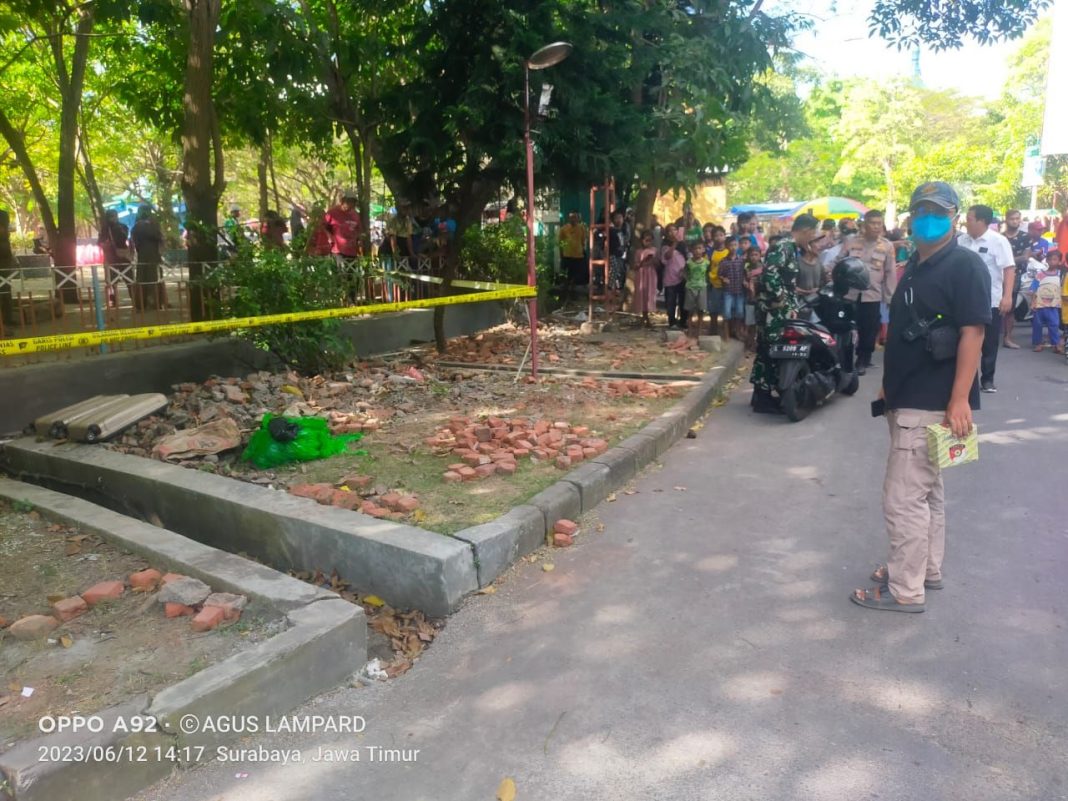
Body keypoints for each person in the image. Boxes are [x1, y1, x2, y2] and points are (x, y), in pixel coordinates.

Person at [851, 181, 989, 613]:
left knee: (903, 496)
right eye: (921, 211)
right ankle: (925, 569)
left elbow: (973, 332)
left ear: (955, 216)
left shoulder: (964, 265)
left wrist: (960, 399)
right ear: (910, 217)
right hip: (907, 394)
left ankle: (904, 589)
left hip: (933, 399)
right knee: (928, 490)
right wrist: (890, 383)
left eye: (938, 211)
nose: (928, 218)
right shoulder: (916, 263)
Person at [749, 213, 815, 413]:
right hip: (773, 310)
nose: (813, 239)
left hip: (780, 310)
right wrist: (780, 298)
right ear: (805, 231)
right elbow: (770, 274)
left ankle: (761, 394)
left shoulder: (791, 248)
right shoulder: (783, 246)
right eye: (813, 234)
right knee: (770, 350)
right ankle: (762, 398)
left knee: (769, 349)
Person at [957, 204, 1014, 393]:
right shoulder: (960, 241)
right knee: (962, 339)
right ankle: (965, 379)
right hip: (963, 299)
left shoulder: (998, 241)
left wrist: (1007, 296)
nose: (967, 221)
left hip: (990, 300)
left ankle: (988, 379)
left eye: (970, 218)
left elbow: (1008, 269)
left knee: (989, 342)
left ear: (982, 221)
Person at [837, 210, 897, 375]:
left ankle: (863, 359)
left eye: (879, 223)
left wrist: (890, 297)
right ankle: (845, 358)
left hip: (872, 294)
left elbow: (890, 272)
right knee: (846, 327)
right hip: (849, 294)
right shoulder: (851, 242)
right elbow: (839, 262)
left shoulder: (887, 246)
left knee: (869, 329)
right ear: (864, 225)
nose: (876, 227)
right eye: (873, 223)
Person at [325, 191, 362, 302]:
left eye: (353, 203)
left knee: (352, 276)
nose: (350, 205)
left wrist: (359, 239)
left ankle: (352, 301)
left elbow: (359, 230)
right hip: (337, 250)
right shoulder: (332, 213)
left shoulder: (355, 215)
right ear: (342, 201)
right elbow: (323, 226)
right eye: (348, 202)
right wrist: (330, 237)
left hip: (352, 251)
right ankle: (341, 301)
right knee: (341, 275)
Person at [1001, 209, 1030, 348]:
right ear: (1006, 220)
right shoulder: (1000, 238)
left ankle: (1008, 338)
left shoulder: (1025, 237)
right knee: (994, 305)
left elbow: (1025, 257)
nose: (1016, 221)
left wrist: (1006, 260)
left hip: (1015, 275)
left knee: (1010, 307)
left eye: (1018, 218)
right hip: (998, 275)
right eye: (1013, 219)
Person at [130, 205, 165, 311]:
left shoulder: (136, 226)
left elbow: (134, 239)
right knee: (154, 277)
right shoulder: (152, 224)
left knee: (141, 278)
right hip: (153, 254)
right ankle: (156, 303)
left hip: (142, 254)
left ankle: (141, 304)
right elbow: (158, 236)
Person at [98, 209, 131, 308]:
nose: (114, 218)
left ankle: (136, 299)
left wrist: (117, 229)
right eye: (112, 216)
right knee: (112, 281)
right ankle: (113, 300)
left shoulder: (122, 226)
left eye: (115, 216)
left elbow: (123, 238)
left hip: (122, 256)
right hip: (111, 257)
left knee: (129, 279)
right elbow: (100, 242)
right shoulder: (105, 229)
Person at [1031, 250, 1063, 352]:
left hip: (1054, 305)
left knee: (1054, 324)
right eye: (1050, 259)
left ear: (1059, 261)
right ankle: (1038, 343)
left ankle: (1056, 344)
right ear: (1047, 260)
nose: (1052, 261)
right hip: (1040, 304)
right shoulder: (1040, 274)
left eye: (1055, 259)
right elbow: (1034, 289)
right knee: (1037, 324)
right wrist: (1033, 302)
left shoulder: (1061, 275)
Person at [718, 235, 748, 342]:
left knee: (739, 313)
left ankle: (737, 332)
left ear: (738, 246)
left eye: (735, 245)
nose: (733, 247)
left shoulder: (742, 260)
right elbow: (719, 274)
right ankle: (726, 334)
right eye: (731, 245)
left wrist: (745, 281)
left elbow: (746, 273)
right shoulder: (723, 261)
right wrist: (723, 278)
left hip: (740, 290)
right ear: (726, 246)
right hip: (728, 291)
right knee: (727, 313)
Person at [559, 210, 588, 300]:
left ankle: (575, 294)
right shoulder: (563, 229)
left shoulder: (582, 228)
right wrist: (561, 255)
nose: (573, 219)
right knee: (567, 276)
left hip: (578, 256)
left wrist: (582, 250)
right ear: (569, 218)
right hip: (567, 256)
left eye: (575, 217)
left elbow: (583, 242)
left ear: (578, 218)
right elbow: (560, 243)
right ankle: (565, 294)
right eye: (571, 217)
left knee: (577, 276)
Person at [706, 227, 729, 335]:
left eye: (721, 235)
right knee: (713, 309)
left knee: (726, 309)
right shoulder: (710, 252)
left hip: (727, 285)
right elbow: (707, 266)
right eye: (716, 235)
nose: (718, 238)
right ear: (713, 237)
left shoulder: (729, 251)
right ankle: (713, 329)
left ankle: (726, 332)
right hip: (714, 284)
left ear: (725, 236)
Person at [661, 235, 686, 330]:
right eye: (669, 231)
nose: (672, 232)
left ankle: (683, 321)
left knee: (683, 301)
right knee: (671, 302)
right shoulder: (665, 247)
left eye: (674, 230)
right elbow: (667, 256)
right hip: (670, 278)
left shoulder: (683, 246)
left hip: (682, 277)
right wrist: (675, 243)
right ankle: (672, 322)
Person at [633, 231, 658, 326]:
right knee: (641, 294)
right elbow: (635, 266)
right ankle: (643, 317)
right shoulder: (638, 252)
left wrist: (653, 260)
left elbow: (658, 264)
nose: (648, 242)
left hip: (651, 274)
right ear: (642, 240)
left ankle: (647, 317)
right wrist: (642, 262)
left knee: (649, 294)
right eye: (646, 240)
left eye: (650, 240)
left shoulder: (655, 250)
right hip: (641, 274)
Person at [683, 244, 707, 339]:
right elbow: (684, 272)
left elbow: (708, 273)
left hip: (702, 287)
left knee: (701, 310)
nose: (697, 250)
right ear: (691, 250)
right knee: (690, 310)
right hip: (690, 288)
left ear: (703, 250)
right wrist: (687, 280)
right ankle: (690, 330)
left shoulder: (706, 262)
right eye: (695, 248)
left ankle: (699, 330)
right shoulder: (688, 262)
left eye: (699, 248)